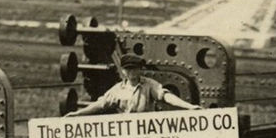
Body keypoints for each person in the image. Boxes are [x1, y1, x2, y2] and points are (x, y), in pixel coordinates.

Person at [67, 53, 197, 115]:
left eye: (134, 68)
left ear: (140, 69)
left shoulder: (149, 85)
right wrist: (78, 113)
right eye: (128, 69)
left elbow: (165, 96)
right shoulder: (117, 90)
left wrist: (189, 106)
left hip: (146, 131)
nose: (131, 72)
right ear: (123, 71)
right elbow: (101, 104)